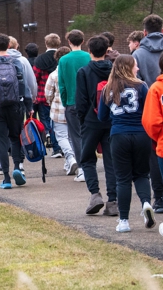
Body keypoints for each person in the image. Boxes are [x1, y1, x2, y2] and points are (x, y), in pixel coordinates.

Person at [98, 55, 155, 232]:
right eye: (135, 66)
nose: (137, 69)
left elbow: (102, 116)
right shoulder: (142, 86)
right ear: (128, 67)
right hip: (140, 134)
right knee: (142, 174)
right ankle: (146, 203)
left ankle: (124, 220)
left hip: (119, 135)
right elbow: (149, 110)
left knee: (122, 179)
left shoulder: (108, 88)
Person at [0, 34, 33, 189]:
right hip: (16, 105)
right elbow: (24, 87)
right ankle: (18, 167)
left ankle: (6, 177)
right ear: (9, 46)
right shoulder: (17, 62)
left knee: (1, 141)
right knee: (16, 137)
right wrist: (29, 106)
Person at [76, 35, 117, 216]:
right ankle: (113, 200)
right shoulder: (114, 71)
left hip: (91, 121)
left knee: (87, 159)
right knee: (111, 161)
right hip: (111, 120)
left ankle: (95, 194)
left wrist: (82, 121)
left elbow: (81, 101)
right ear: (107, 49)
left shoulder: (84, 72)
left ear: (89, 51)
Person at [133, 14, 163, 214]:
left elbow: (136, 83)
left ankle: (159, 198)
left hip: (150, 103)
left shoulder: (138, 54)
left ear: (144, 32)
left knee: (154, 155)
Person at [58, 30, 91, 182]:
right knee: (89, 135)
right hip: (89, 103)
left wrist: (65, 103)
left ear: (69, 42)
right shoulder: (88, 57)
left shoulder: (63, 60)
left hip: (72, 102)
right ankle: (90, 166)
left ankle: (83, 169)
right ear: (82, 41)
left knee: (76, 137)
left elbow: (62, 85)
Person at [45, 46, 78, 176]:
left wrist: (51, 102)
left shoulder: (54, 75)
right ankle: (69, 162)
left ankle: (70, 158)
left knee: (62, 137)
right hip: (73, 108)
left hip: (58, 110)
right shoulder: (75, 73)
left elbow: (48, 94)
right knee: (72, 137)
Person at [33, 33, 63, 158]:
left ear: (46, 44)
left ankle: (51, 142)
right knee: (60, 122)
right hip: (61, 95)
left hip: (44, 96)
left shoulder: (40, 59)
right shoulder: (62, 58)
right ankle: (60, 147)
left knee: (47, 121)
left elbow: (35, 78)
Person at [8, 37, 37, 103]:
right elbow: (31, 81)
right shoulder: (23, 60)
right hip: (20, 98)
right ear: (16, 46)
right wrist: (32, 96)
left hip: (0, 100)